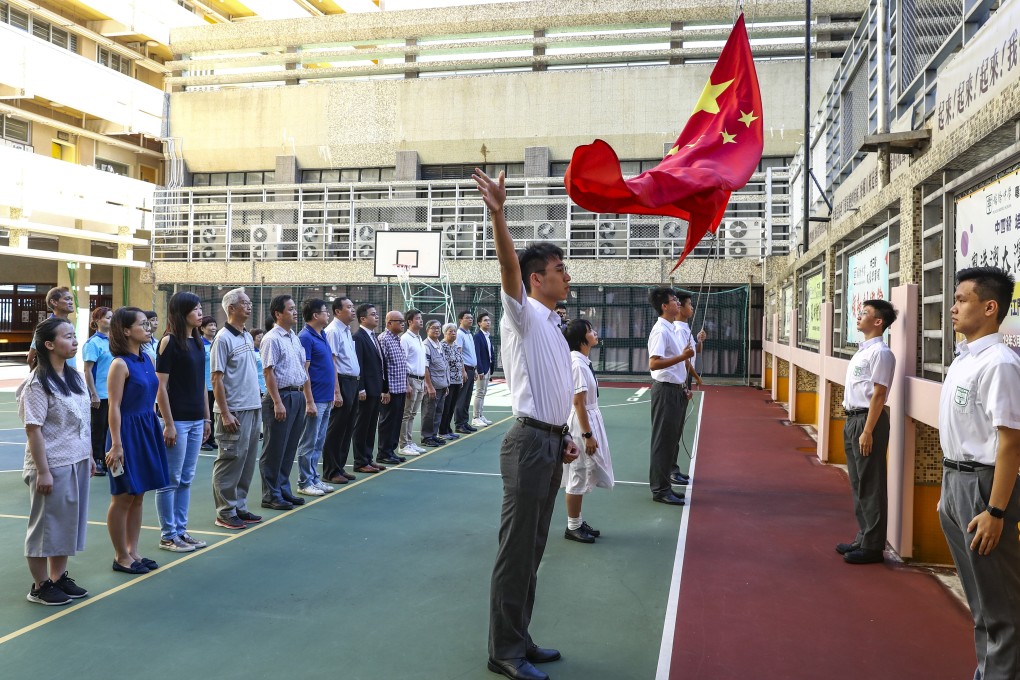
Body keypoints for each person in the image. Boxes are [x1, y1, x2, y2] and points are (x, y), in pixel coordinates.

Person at [475, 167, 578, 680]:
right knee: (516, 554)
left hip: (548, 444)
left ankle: (521, 637)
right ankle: (503, 652)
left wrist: (563, 435)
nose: (567, 274)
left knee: (534, 550)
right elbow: (507, 267)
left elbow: (554, 387)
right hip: (527, 444)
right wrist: (499, 215)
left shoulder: (554, 325)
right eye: (560, 268)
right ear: (537, 278)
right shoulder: (523, 311)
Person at [938, 266, 1020, 680]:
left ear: (990, 308)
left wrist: (996, 510)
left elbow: (1010, 443)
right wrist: (947, 493)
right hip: (955, 483)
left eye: (961, 300)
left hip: (983, 488)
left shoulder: (1001, 363)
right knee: (980, 601)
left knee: (1001, 607)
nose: (952, 308)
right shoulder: (965, 358)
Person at [18, 317, 92, 605]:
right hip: (51, 465)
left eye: (75, 335)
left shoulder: (73, 377)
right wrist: (44, 471)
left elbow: (83, 421)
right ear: (49, 344)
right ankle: (40, 585)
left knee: (66, 524)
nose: (74, 341)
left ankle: (58, 577)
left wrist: (89, 455)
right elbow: (33, 430)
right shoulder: (37, 384)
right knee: (45, 527)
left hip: (77, 459)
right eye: (67, 336)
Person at [105, 307, 171, 575]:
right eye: (142, 324)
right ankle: (120, 556)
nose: (148, 327)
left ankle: (133, 551)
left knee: (139, 495)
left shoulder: (147, 359)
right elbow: (114, 407)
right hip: (126, 433)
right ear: (125, 331)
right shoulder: (119, 364)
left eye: (148, 323)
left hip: (147, 428)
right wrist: (117, 444)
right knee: (122, 496)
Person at [837, 299, 897, 565]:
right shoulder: (861, 352)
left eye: (865, 313)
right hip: (853, 420)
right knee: (858, 482)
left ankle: (873, 546)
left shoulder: (881, 353)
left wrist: (868, 431)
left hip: (867, 421)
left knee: (871, 482)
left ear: (878, 321)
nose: (859, 317)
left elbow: (879, 394)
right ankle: (863, 535)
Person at [153, 292, 210, 553]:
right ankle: (168, 535)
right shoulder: (168, 342)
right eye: (195, 309)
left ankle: (181, 531)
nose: (200, 313)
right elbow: (160, 387)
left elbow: (201, 385)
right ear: (181, 312)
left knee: (186, 478)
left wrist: (207, 417)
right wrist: (169, 423)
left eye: (200, 308)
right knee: (171, 479)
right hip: (178, 421)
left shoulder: (198, 343)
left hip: (197, 419)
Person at [210, 288, 263, 530]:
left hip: (252, 407)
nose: (249, 306)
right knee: (230, 460)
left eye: (249, 302)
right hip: (234, 410)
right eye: (244, 303)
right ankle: (225, 511)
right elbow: (217, 379)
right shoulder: (223, 338)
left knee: (247, 460)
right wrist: (226, 412)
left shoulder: (244, 336)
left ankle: (239, 505)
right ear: (231, 308)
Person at [561, 318, 615, 543]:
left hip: (590, 418)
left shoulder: (582, 361)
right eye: (590, 330)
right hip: (582, 423)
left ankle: (578, 521)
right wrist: (587, 434)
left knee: (584, 470)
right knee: (579, 471)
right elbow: (578, 402)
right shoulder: (576, 363)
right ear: (581, 338)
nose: (595, 333)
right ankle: (572, 526)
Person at [260, 295, 315, 510]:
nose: (294, 312)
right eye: (290, 309)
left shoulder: (294, 337)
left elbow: (302, 369)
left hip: (297, 395)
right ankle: (270, 494)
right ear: (278, 314)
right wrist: (276, 401)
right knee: (274, 448)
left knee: (289, 447)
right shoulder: (272, 339)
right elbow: (268, 371)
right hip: (281, 396)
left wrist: (306, 398)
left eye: (294, 308)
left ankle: (283, 489)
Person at [647, 287, 693, 506]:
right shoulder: (661, 331)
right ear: (664, 306)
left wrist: (683, 384)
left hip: (675, 389)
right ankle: (660, 489)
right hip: (664, 390)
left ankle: (666, 486)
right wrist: (683, 356)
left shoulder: (670, 329)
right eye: (674, 300)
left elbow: (675, 364)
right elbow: (654, 363)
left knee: (670, 439)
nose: (677, 303)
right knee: (663, 442)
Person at [296, 298, 336, 496]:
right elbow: (305, 372)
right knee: (309, 441)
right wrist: (309, 400)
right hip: (315, 398)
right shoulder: (305, 337)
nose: (327, 314)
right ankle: (304, 482)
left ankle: (314, 478)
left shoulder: (323, 335)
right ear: (315, 315)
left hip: (326, 397)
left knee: (319, 441)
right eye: (325, 311)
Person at [322, 297, 360, 485]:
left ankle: (340, 467)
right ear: (338, 311)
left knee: (347, 428)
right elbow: (333, 363)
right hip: (342, 382)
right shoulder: (332, 331)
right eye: (349, 307)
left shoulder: (346, 331)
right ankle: (330, 470)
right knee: (336, 428)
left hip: (352, 382)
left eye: (353, 307)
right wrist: (336, 391)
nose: (353, 310)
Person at [669, 292, 703, 487]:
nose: (691, 308)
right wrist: (696, 377)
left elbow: (691, 352)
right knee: (674, 429)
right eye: (689, 304)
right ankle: (671, 469)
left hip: (685, 380)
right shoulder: (678, 330)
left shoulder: (685, 328)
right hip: (682, 380)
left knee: (678, 427)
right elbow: (684, 360)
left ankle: (673, 467)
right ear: (679, 308)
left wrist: (699, 341)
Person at [351, 303, 387, 474]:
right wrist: (361, 388)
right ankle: (359, 461)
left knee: (371, 425)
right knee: (362, 425)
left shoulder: (373, 336)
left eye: (377, 314)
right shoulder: (359, 337)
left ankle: (368, 458)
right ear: (363, 319)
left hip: (376, 388)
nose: (377, 317)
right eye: (373, 314)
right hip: (366, 390)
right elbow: (360, 364)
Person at [83, 307, 113, 476]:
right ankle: (97, 459)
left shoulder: (115, 341)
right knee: (98, 428)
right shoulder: (93, 343)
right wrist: (93, 393)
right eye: (107, 317)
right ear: (97, 321)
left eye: (112, 317)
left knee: (112, 427)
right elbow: (88, 370)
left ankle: (109, 458)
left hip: (114, 394)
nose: (111, 320)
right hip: (100, 394)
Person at [376, 310, 409, 466]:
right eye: (400, 321)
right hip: (391, 390)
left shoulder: (397, 339)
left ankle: (391, 451)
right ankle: (383, 453)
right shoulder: (383, 339)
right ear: (389, 323)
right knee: (387, 422)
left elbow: (401, 364)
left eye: (403, 321)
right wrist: (385, 389)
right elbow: (382, 366)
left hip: (400, 388)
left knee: (396, 422)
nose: (403, 323)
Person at [27, 286, 77, 370]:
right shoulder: (46, 327)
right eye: (67, 299)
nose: (71, 302)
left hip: (70, 376)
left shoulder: (70, 325)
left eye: (71, 299)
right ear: (54, 302)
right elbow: (31, 358)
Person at [399, 308, 427, 457]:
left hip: (420, 380)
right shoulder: (405, 339)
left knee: (412, 413)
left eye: (421, 318)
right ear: (409, 321)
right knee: (406, 413)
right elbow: (402, 362)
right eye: (417, 318)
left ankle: (409, 442)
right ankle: (403, 445)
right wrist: (406, 383)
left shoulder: (418, 338)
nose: (420, 320)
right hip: (411, 379)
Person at [421, 320, 450, 448]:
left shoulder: (439, 344)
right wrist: (429, 386)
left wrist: (446, 384)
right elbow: (425, 368)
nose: (437, 330)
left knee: (438, 412)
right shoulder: (426, 346)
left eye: (438, 328)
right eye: (434, 328)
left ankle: (433, 435)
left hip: (442, 385)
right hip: (433, 387)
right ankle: (426, 437)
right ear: (427, 330)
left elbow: (444, 366)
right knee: (429, 412)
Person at [439, 322, 467, 441]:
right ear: (445, 333)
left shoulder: (455, 345)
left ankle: (448, 428)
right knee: (446, 406)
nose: (453, 333)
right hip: (448, 381)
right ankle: (442, 430)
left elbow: (460, 360)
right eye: (450, 331)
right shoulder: (442, 345)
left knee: (452, 406)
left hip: (457, 380)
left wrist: (463, 372)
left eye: (454, 331)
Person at [454, 310, 479, 434]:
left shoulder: (469, 333)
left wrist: (474, 370)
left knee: (467, 398)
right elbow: (459, 353)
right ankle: (459, 424)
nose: (470, 320)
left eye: (471, 318)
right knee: (462, 398)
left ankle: (464, 421)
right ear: (460, 320)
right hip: (465, 370)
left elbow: (470, 354)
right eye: (467, 318)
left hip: (471, 369)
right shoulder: (459, 334)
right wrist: (463, 370)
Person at [472, 310, 495, 428]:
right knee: (479, 393)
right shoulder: (477, 337)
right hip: (482, 369)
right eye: (485, 320)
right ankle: (475, 417)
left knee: (483, 393)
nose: (488, 322)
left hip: (488, 368)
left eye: (489, 320)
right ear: (479, 323)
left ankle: (480, 415)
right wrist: (479, 370)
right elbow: (477, 354)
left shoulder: (487, 336)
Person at [200, 316, 218, 451]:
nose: (213, 328)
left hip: (215, 384)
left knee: (212, 414)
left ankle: (211, 439)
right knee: (205, 414)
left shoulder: (217, 342)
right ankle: (203, 440)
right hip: (204, 384)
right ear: (202, 328)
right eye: (210, 325)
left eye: (214, 325)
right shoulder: (199, 343)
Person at [251, 327, 267, 396]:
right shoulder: (251, 352)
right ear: (252, 338)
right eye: (259, 337)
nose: (261, 339)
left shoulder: (265, 351)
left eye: (262, 337)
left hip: (265, 385)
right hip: (256, 386)